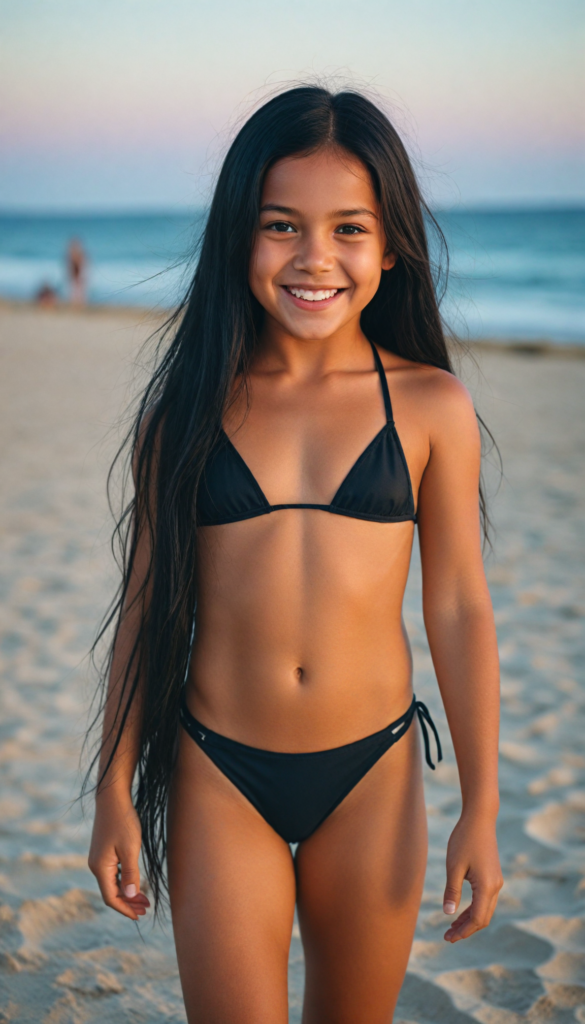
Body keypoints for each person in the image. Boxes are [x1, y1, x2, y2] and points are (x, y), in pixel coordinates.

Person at [87, 86, 502, 1023]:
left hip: (373, 771)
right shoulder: (188, 411)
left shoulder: (430, 405)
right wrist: (113, 786)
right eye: (282, 225)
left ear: (389, 246)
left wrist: (481, 802)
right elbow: (147, 607)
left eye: (347, 228)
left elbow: (459, 609)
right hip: (218, 771)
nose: (315, 257)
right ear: (240, 235)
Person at [67, 238, 87, 305]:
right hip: (76, 275)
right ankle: (77, 305)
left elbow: (82, 266)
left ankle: (79, 305)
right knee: (76, 291)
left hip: (78, 275)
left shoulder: (78, 255)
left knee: (78, 291)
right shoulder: (73, 255)